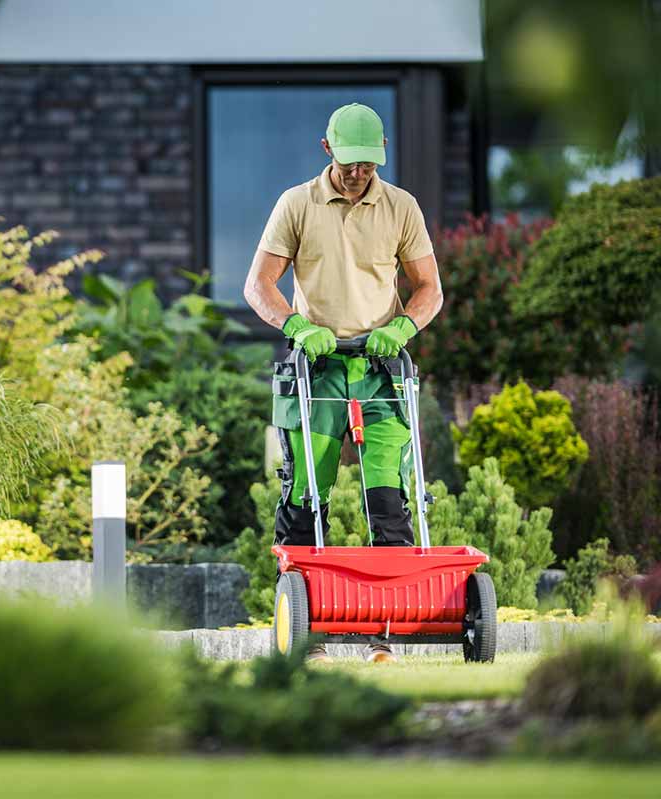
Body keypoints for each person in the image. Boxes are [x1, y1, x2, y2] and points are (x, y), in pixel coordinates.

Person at [242, 103, 444, 663]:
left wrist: (405, 324)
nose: (359, 174)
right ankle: (310, 636)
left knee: (389, 494)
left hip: (381, 371)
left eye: (369, 164)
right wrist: (295, 324)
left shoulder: (401, 207)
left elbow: (430, 287)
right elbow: (258, 284)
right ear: (327, 149)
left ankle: (387, 633)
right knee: (306, 489)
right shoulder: (296, 204)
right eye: (350, 162)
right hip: (319, 367)